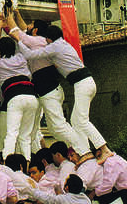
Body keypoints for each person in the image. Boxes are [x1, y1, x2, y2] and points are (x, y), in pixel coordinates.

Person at [10, 8, 110, 161]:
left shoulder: (53, 46)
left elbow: (27, 47)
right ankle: (85, 150)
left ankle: (95, 150)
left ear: (48, 38)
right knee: (73, 122)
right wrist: (16, 15)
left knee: (76, 121)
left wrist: (14, 32)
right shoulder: (60, 44)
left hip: (81, 83)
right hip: (83, 82)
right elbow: (26, 33)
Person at [0, 26, 38, 160]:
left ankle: (6, 161)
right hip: (32, 97)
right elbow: (20, 45)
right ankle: (26, 162)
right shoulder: (21, 58)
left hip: (15, 98)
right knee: (25, 136)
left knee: (12, 133)